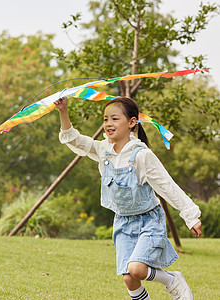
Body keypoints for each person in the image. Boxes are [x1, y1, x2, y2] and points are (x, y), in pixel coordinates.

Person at [54, 96, 202, 300]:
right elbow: (73, 139)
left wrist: (191, 216)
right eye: (105, 119)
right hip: (123, 222)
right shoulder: (103, 151)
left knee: (137, 269)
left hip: (148, 221)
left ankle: (173, 280)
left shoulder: (142, 156)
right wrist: (63, 111)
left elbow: (168, 187)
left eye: (114, 119)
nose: (108, 124)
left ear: (132, 122)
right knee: (129, 278)